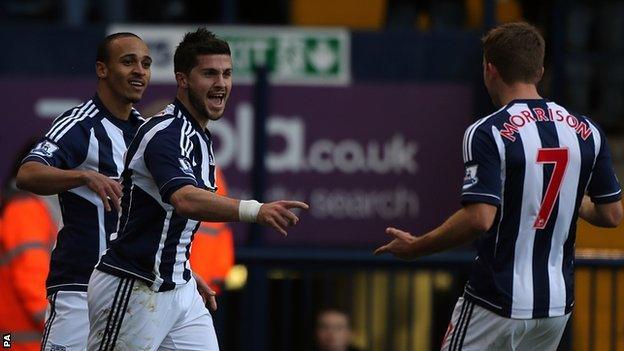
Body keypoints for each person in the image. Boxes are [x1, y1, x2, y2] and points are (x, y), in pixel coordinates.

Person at [375, 22, 623, 351]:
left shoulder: (487, 131)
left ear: (490, 68)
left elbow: (479, 218)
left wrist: (417, 247)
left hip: (496, 299)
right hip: (555, 305)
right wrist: (568, 194)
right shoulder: (587, 131)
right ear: (540, 70)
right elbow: (612, 214)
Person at [87, 28, 309, 351]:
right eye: (209, 73)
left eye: (227, 73)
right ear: (183, 79)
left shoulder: (199, 135)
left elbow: (166, 223)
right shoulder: (164, 133)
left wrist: (183, 271)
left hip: (179, 288)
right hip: (133, 285)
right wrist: (255, 210)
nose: (221, 83)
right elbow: (185, 200)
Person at [16, 32, 152, 350]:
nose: (139, 71)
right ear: (102, 69)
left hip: (135, 291)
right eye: (128, 61)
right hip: (81, 288)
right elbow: (27, 173)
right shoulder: (81, 125)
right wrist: (83, 176)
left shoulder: (148, 134)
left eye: (145, 63)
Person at [0, 143, 58, 351]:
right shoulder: (25, 210)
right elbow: (31, 277)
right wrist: (58, 325)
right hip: (15, 342)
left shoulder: (18, 206)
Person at [189, 167, 235, 295]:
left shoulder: (212, 169)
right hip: (180, 276)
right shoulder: (211, 168)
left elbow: (221, 228)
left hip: (203, 280)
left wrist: (221, 270)